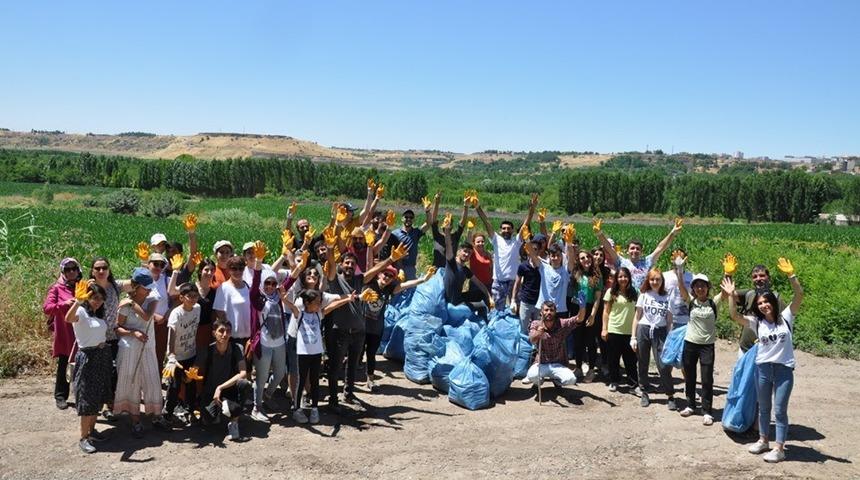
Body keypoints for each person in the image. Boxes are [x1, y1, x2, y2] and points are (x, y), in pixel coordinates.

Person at [724, 258, 803, 463]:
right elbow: (734, 315)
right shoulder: (757, 323)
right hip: (763, 369)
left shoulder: (786, 316)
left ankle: (779, 448)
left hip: (783, 369)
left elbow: (799, 295)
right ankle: (763, 440)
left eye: (767, 302)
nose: (764, 305)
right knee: (765, 407)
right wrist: (732, 295)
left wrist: (791, 276)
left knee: (779, 410)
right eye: (760, 304)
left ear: (774, 303)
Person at [325, 241, 406, 410]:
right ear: (342, 265)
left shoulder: (358, 280)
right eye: (347, 263)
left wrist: (391, 259)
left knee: (352, 366)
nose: (349, 266)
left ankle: (348, 394)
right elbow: (331, 264)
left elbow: (374, 271)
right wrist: (332, 248)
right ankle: (333, 400)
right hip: (340, 332)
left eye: (352, 264)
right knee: (335, 366)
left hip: (359, 332)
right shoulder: (335, 281)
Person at [283, 289, 358, 424]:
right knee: (300, 382)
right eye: (317, 302)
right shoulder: (299, 314)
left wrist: (348, 299)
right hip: (303, 353)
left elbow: (333, 306)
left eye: (320, 302)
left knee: (314, 382)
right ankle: (297, 409)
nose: (319, 304)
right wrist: (283, 298)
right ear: (307, 303)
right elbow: (291, 306)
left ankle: (315, 409)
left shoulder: (318, 314)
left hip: (316, 354)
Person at [362, 265, 434, 390]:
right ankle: (349, 382)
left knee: (371, 354)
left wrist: (423, 279)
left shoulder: (388, 289)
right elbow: (369, 268)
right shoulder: (369, 283)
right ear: (379, 274)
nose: (387, 277)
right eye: (385, 274)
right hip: (361, 327)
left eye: (391, 276)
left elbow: (405, 285)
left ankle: (370, 380)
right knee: (355, 354)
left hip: (376, 329)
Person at [113, 267, 163, 438]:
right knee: (131, 381)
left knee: (152, 379)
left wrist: (132, 304)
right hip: (129, 348)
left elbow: (148, 316)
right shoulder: (124, 305)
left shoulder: (151, 299)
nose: (148, 289)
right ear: (135, 286)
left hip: (148, 348)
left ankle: (156, 415)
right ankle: (135, 420)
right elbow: (118, 328)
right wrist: (133, 333)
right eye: (145, 286)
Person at [64, 282, 111, 454]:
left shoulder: (98, 314)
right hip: (88, 358)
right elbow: (68, 318)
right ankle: (83, 438)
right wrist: (77, 300)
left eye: (100, 298)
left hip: (101, 356)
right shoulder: (82, 312)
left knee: (97, 397)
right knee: (86, 398)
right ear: (88, 297)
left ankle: (92, 431)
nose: (97, 301)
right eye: (94, 298)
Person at [676, 270, 725, 425]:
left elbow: (725, 292)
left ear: (707, 288)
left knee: (707, 379)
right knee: (689, 376)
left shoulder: (713, 303)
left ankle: (707, 411)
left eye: (703, 286)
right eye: (697, 286)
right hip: (690, 343)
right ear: (693, 289)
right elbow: (681, 288)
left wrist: (728, 273)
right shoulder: (690, 301)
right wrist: (679, 271)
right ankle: (690, 405)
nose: (700, 289)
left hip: (707, 346)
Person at [88, 257, 132, 422]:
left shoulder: (115, 285)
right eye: (97, 268)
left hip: (113, 337)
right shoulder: (88, 288)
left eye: (104, 268)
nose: (101, 271)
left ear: (109, 269)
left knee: (112, 373)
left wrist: (145, 262)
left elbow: (136, 283)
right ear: (92, 271)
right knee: (96, 374)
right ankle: (95, 407)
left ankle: (108, 405)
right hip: (95, 339)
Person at [475, 193, 537, 310]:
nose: (506, 230)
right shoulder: (496, 240)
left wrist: (532, 208)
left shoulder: (516, 241)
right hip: (498, 281)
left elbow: (526, 223)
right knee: (498, 309)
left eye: (508, 228)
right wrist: (478, 207)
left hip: (513, 282)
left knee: (516, 309)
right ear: (500, 230)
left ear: (513, 230)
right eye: (504, 228)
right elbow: (486, 222)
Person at [195, 317, 253, 442]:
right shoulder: (206, 351)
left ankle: (234, 423)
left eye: (228, 331)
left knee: (245, 384)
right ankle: (221, 411)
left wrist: (220, 388)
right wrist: (188, 377)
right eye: (221, 331)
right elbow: (193, 372)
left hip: (228, 391)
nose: (225, 334)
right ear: (214, 333)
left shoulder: (236, 348)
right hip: (211, 394)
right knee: (208, 420)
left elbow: (243, 373)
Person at [631, 268, 676, 410]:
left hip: (660, 331)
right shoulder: (644, 294)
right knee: (642, 362)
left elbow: (669, 320)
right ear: (648, 281)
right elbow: (637, 317)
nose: (655, 282)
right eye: (652, 279)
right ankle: (644, 392)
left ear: (662, 281)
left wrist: (670, 337)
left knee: (663, 365)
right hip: (643, 329)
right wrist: (633, 337)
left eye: (658, 279)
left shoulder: (667, 296)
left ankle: (670, 394)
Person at [595, 217, 683, 289]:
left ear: (641, 251)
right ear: (627, 251)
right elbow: (609, 248)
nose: (635, 251)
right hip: (626, 299)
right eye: (632, 248)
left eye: (637, 249)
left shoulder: (647, 261)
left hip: (643, 299)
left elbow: (660, 248)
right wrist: (599, 234)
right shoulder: (621, 262)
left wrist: (673, 233)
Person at [43, 257, 81, 410]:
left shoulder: (83, 286)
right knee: (64, 363)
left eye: (74, 269)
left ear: (79, 270)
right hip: (66, 332)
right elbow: (47, 308)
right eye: (67, 269)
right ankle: (60, 396)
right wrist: (63, 304)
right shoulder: (57, 288)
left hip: (82, 331)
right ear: (63, 272)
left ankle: (81, 397)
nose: (71, 272)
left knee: (83, 365)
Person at [162, 282, 202, 426]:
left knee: (191, 385)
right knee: (174, 387)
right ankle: (167, 415)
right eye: (189, 296)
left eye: (195, 296)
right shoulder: (176, 313)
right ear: (181, 298)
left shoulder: (198, 308)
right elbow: (171, 334)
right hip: (176, 357)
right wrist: (171, 356)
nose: (192, 299)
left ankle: (191, 411)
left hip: (191, 353)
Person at [733, 263, 786, 355]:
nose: (758, 279)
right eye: (755, 277)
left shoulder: (776, 298)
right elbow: (728, 294)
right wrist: (728, 274)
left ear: (768, 277)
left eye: (762, 276)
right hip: (745, 349)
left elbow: (784, 324)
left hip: (767, 350)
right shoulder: (749, 294)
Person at [601, 267, 638, 392]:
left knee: (631, 360)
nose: (623, 279)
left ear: (629, 278)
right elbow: (606, 312)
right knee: (613, 358)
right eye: (620, 276)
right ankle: (614, 381)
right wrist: (604, 329)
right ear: (616, 278)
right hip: (614, 329)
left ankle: (633, 384)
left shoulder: (634, 292)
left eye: (625, 276)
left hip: (629, 331)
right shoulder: (611, 292)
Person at [526, 301, 578, 388]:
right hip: (542, 363)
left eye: (551, 310)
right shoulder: (536, 324)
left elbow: (578, 319)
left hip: (558, 364)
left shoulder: (562, 323)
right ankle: (539, 382)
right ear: (541, 312)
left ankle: (556, 380)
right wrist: (539, 332)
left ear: (555, 312)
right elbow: (532, 339)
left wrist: (582, 307)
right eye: (546, 310)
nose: (549, 312)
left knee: (571, 379)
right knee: (531, 375)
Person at [570, 249, 604, 382]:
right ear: (579, 260)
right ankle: (578, 367)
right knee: (578, 340)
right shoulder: (576, 273)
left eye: (588, 257)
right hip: (577, 308)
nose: (586, 260)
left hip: (590, 309)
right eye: (582, 258)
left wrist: (593, 315)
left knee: (590, 341)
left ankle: (591, 370)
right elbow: (570, 257)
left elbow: (597, 299)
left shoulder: (597, 276)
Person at [443, 223, 491, 314]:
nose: (467, 254)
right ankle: (482, 321)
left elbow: (480, 285)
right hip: (452, 303)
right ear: (458, 251)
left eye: (469, 253)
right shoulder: (451, 263)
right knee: (481, 306)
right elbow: (448, 244)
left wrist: (489, 297)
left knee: (480, 294)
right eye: (465, 251)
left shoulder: (466, 270)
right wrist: (447, 230)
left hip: (459, 298)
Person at [213, 255, 253, 348]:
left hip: (249, 337)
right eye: (234, 269)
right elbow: (220, 313)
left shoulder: (247, 287)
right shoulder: (224, 288)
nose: (238, 271)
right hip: (232, 338)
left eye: (241, 268)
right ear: (228, 269)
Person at [386, 207, 431, 280]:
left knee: (411, 289)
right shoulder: (395, 233)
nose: (408, 219)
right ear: (402, 219)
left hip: (410, 267)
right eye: (406, 217)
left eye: (411, 217)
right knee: (396, 289)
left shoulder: (416, 232)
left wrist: (427, 211)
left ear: (413, 219)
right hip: (397, 266)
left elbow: (428, 223)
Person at [510, 238, 543, 334]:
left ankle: (535, 348)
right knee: (523, 327)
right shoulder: (523, 266)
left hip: (539, 302)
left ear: (540, 250)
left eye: (535, 249)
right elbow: (517, 283)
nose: (533, 251)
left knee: (537, 328)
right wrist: (513, 300)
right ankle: (523, 347)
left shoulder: (543, 266)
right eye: (531, 249)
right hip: (526, 301)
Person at [429, 192, 467, 268]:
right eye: (445, 222)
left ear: (452, 226)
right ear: (442, 225)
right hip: (436, 270)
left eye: (449, 223)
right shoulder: (437, 236)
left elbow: (462, 224)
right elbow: (433, 220)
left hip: (450, 270)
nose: (447, 224)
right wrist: (436, 203)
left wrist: (466, 206)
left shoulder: (455, 237)